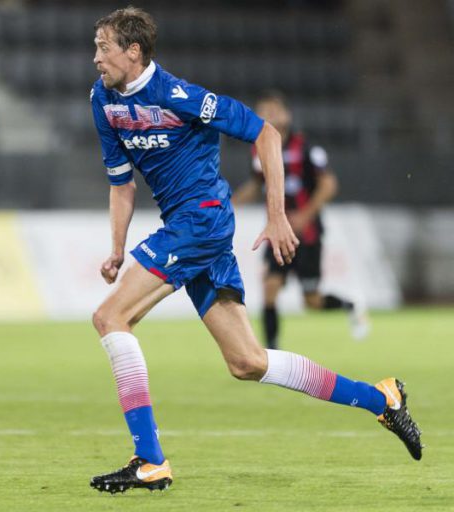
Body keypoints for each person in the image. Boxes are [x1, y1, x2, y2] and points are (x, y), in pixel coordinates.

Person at [88, 7, 421, 494]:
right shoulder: (103, 101)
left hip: (200, 222)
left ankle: (149, 460)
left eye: (103, 47)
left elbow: (267, 134)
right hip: (187, 227)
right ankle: (382, 400)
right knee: (247, 362)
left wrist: (277, 213)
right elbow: (121, 185)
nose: (95, 57)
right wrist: (116, 249)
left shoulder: (179, 96)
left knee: (110, 317)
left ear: (133, 52)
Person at [233, 91, 369, 349]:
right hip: (277, 233)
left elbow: (329, 184)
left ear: (287, 115)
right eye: (263, 110)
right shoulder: (258, 150)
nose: (268, 114)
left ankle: (350, 305)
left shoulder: (306, 148)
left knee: (312, 301)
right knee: (270, 287)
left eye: (274, 109)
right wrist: (229, 205)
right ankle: (271, 352)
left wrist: (305, 215)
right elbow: (256, 184)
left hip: (306, 234)